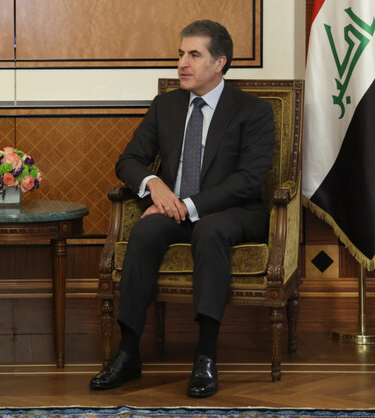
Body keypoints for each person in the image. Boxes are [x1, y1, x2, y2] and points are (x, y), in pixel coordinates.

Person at [89, 20, 274, 398]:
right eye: (180, 54)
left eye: (194, 55)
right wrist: (155, 185)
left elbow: (248, 180)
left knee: (209, 230)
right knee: (144, 231)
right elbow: (129, 161)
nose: (182, 64)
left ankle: (205, 356)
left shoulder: (253, 111)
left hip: (234, 211)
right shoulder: (166, 106)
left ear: (220, 62)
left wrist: (187, 205)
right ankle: (128, 352)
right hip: (173, 208)